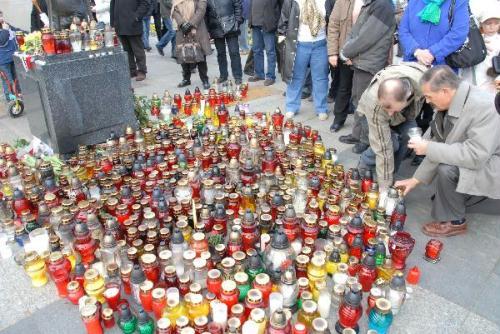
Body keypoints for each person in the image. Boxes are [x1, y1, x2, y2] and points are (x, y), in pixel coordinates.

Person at [395, 66, 500, 237]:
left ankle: (455, 221)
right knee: (446, 170)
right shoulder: (452, 102)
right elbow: (439, 141)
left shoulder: (484, 107)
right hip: (483, 159)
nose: (427, 102)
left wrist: (428, 147)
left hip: (493, 164)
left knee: (447, 169)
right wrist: (414, 180)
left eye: (429, 97)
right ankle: (455, 199)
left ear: (444, 91)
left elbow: (476, 155)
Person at [357, 62, 428, 191]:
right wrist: (384, 189)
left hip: (405, 114)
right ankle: (365, 165)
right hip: (371, 114)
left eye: (392, 109)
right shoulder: (376, 102)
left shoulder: (423, 82)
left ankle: (391, 173)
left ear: (407, 97)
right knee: (390, 145)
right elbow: (383, 148)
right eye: (387, 109)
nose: (389, 113)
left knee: (409, 137)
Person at [337, 0, 396, 153]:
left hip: (370, 62)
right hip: (362, 60)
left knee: (366, 103)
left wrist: (346, 52)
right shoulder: (373, 3)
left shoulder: (382, 4)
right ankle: (358, 135)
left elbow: (367, 37)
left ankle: (366, 139)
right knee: (357, 99)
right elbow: (357, 30)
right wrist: (348, 50)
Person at [278, 0, 330, 121]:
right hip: (299, 45)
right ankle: (292, 107)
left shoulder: (326, 1)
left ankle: (321, 108)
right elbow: (283, 22)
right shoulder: (292, 1)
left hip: (320, 44)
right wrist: (282, 44)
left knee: (321, 78)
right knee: (295, 77)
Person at [398, 0, 469, 67]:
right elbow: (403, 30)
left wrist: (433, 52)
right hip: (412, 64)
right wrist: (416, 51)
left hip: (442, 68)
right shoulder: (414, 1)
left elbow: (459, 33)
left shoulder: (458, 2)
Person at [327, 0, 355, 132]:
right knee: (344, 87)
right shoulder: (341, 2)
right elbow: (333, 26)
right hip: (346, 53)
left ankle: (362, 129)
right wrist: (333, 52)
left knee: (364, 92)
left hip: (365, 55)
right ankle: (339, 119)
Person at [172, 0, 212, 89]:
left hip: (197, 28)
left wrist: (190, 24)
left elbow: (201, 10)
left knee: (200, 55)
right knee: (183, 53)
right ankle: (186, 79)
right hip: (182, 29)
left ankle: (204, 79)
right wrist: (182, 23)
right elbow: (175, 10)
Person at [461, 8, 500, 93]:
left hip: (490, 84)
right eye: (488, 23)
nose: (492, 27)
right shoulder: (471, 39)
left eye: (496, 23)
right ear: (481, 24)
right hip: (469, 83)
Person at [205, 0, 243, 84]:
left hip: (231, 25)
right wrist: (208, 30)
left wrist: (237, 22)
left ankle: (237, 76)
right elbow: (206, 14)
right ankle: (223, 75)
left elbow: (238, 6)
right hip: (215, 27)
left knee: (234, 52)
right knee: (221, 54)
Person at [110, 0, 150, 81]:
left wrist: (136, 16)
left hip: (133, 24)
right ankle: (132, 70)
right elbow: (112, 5)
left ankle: (142, 71)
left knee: (138, 50)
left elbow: (145, 3)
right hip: (120, 24)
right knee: (127, 50)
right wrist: (112, 22)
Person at [248, 0, 282, 86]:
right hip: (255, 24)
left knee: (270, 52)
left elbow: (281, 7)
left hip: (268, 25)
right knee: (256, 50)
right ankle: (259, 74)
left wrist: (276, 22)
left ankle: (271, 77)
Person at [0, 29, 19, 100]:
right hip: (4, 61)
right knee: (8, 80)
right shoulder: (5, 32)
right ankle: (12, 99)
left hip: (11, 58)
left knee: (13, 79)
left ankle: (16, 95)